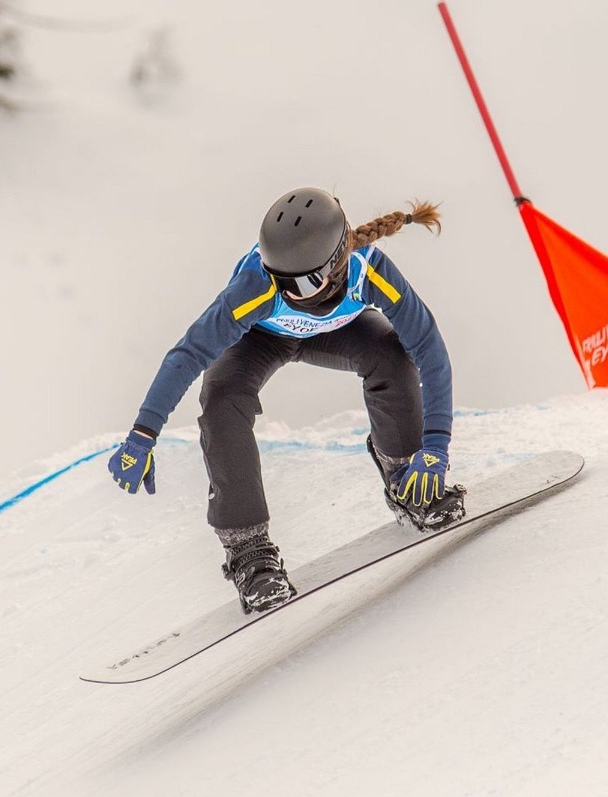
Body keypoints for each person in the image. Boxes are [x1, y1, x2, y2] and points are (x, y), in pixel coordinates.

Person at [107, 187, 463, 614]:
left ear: (336, 264)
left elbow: (429, 349)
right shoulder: (257, 286)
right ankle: (248, 550)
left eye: (305, 281)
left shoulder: (370, 271)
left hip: (337, 331)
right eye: (279, 278)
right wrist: (143, 433)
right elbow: (189, 354)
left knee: (393, 356)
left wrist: (435, 448)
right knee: (221, 399)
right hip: (260, 337)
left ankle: (406, 475)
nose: (290, 292)